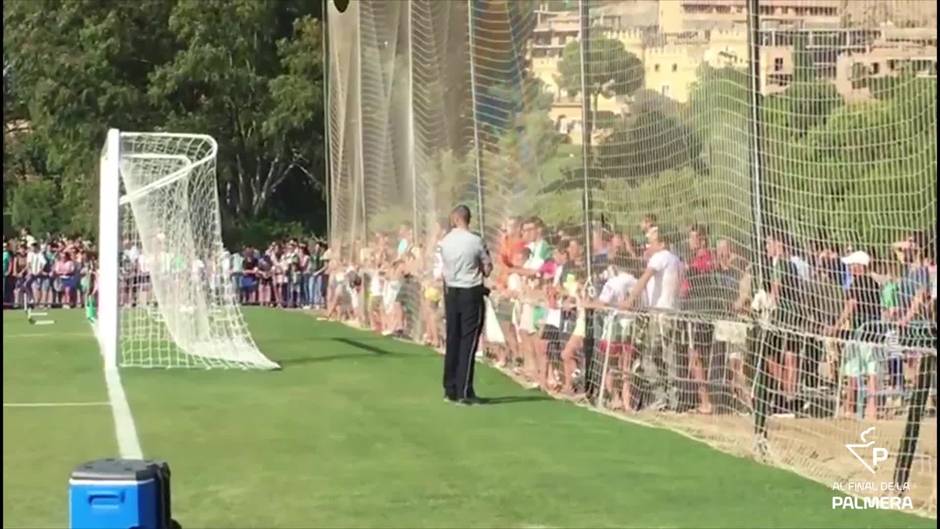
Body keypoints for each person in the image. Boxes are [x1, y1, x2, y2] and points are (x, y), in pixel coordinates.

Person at [436, 204, 492, 405]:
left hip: (451, 291)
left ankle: (449, 387)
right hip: (470, 291)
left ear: (455, 219)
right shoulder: (476, 241)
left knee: (453, 338)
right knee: (468, 341)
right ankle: (464, 389)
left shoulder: (445, 242)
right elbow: (487, 268)